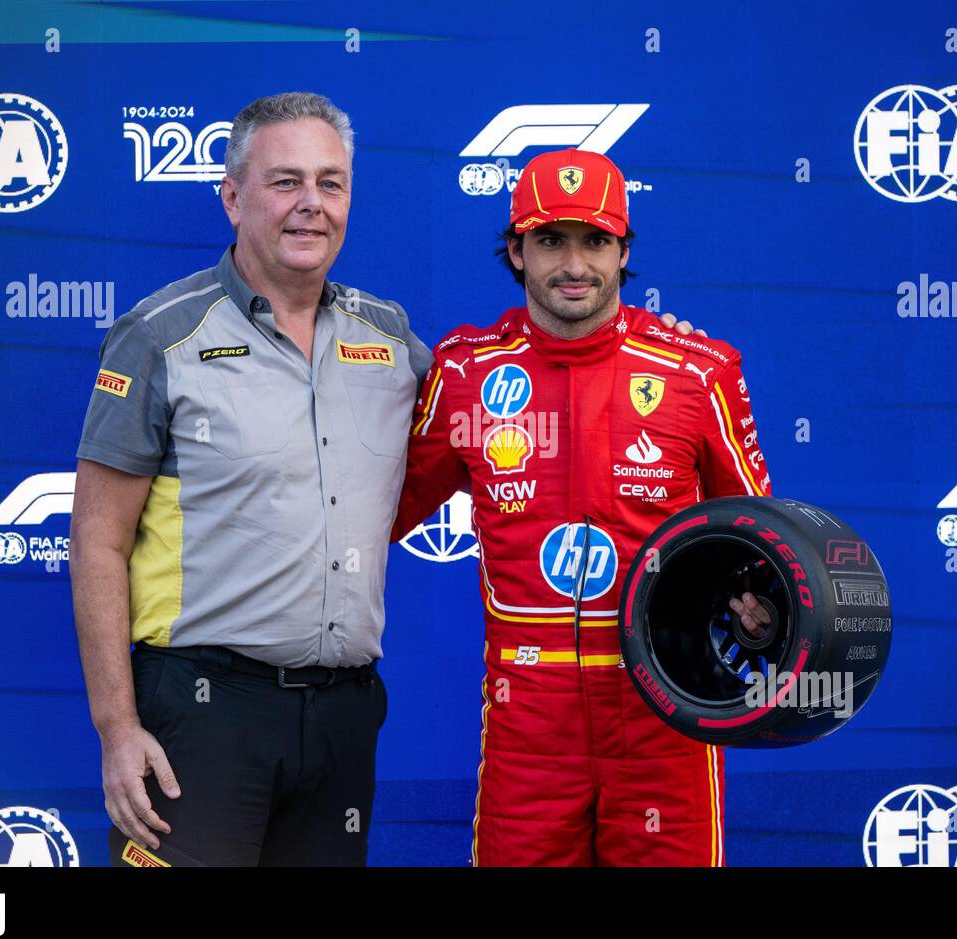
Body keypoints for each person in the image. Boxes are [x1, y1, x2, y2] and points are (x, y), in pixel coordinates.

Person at [70, 92, 431, 866]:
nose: (311, 205)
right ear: (232, 198)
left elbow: (503, 418)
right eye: (285, 182)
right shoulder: (161, 337)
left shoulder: (393, 340)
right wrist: (116, 728)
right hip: (202, 714)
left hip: (342, 718)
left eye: (331, 184)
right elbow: (97, 543)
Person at [393, 147, 774, 866]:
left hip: (665, 702)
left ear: (624, 250)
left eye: (596, 241)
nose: (575, 264)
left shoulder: (699, 371)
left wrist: (757, 607)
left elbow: (762, 536)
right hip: (529, 716)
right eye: (550, 240)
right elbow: (377, 509)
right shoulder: (465, 372)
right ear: (515, 250)